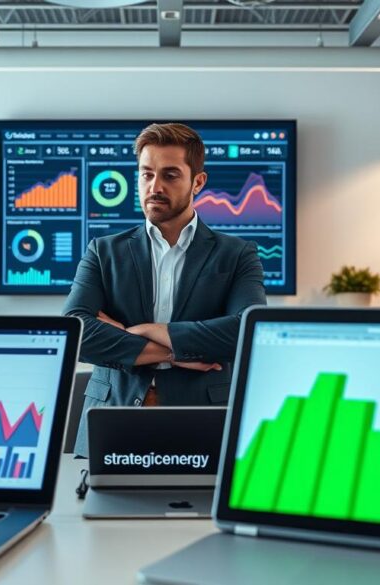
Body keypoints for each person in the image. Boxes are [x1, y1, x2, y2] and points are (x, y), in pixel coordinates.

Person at [63, 122, 267, 457]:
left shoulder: (237, 254)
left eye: (170, 175)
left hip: (205, 423)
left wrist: (143, 331)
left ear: (197, 182)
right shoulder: (103, 250)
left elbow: (247, 329)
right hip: (110, 420)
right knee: (97, 508)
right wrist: (178, 353)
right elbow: (77, 330)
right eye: (146, 174)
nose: (154, 186)